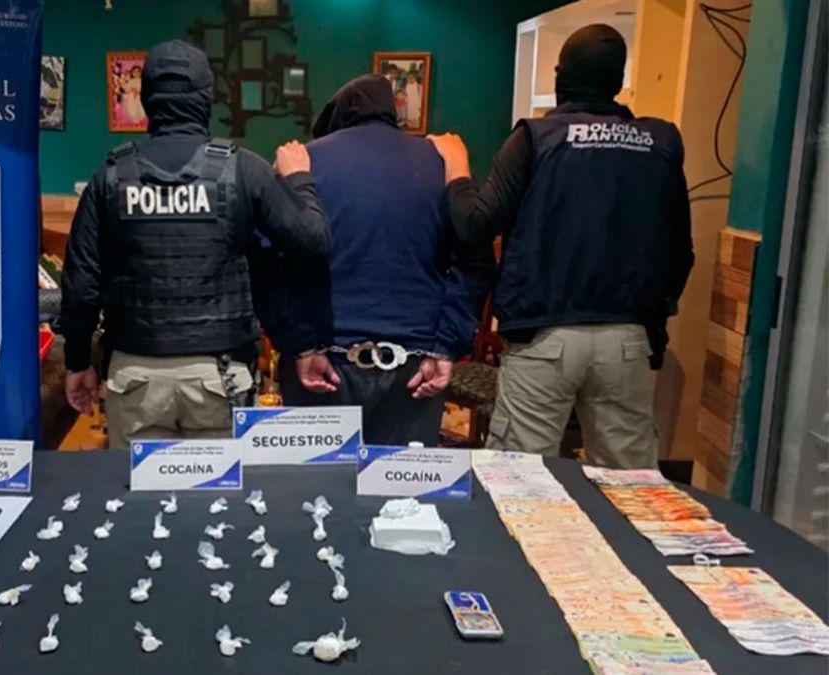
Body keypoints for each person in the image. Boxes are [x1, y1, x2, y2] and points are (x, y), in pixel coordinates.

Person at [428, 24, 693, 469]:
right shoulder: (660, 143)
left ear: (559, 76)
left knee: (521, 480)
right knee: (631, 485)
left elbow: (476, 224)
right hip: (627, 340)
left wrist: (457, 168)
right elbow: (681, 252)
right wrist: (656, 323)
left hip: (543, 338)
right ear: (618, 81)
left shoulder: (535, 138)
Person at [61, 39, 331, 449]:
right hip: (219, 377)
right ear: (207, 98)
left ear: (147, 100)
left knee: (139, 491)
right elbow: (312, 242)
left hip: (135, 376)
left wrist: (78, 361)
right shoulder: (243, 170)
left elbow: (81, 287)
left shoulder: (110, 177)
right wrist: (298, 180)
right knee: (217, 491)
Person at [285, 74, 494, 445]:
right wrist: (447, 345)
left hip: (324, 356)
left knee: (319, 480)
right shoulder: (444, 164)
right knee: (403, 481)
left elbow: (271, 266)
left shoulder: (301, 163)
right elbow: (474, 262)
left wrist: (300, 343)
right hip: (415, 363)